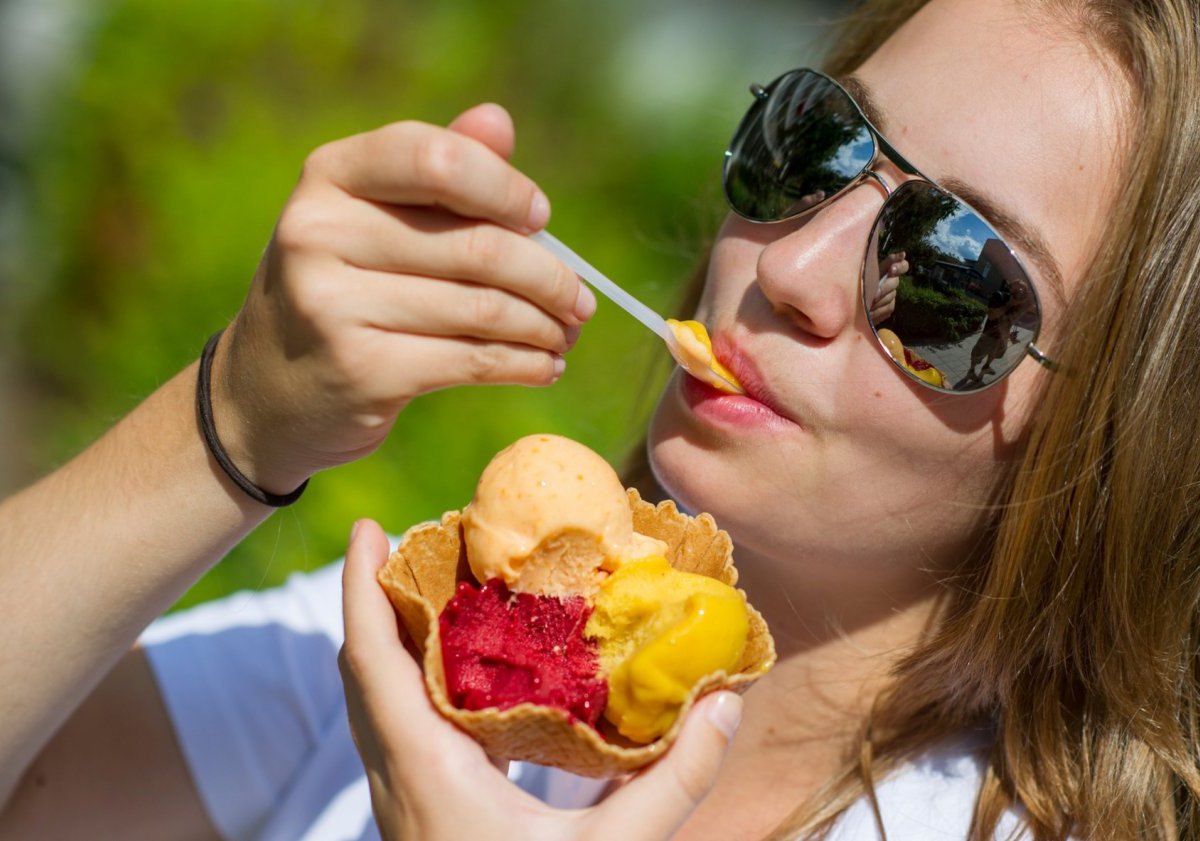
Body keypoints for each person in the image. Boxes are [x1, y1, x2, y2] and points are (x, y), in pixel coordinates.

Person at [3, 0, 1198, 838]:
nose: (794, 269)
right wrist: (234, 421)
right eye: (816, 146)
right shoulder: (470, 654)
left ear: (1116, 450)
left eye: (953, 277)